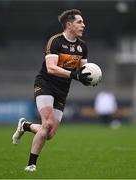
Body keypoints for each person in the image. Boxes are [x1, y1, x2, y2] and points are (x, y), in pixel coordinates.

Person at [12, 9, 93, 172]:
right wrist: (74, 75)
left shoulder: (82, 46)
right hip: (45, 84)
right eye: (80, 22)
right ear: (69, 25)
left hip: (62, 90)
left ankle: (25, 125)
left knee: (48, 133)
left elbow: (83, 70)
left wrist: (89, 79)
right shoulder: (55, 41)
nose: (83, 25)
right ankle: (31, 165)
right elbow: (51, 68)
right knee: (47, 123)